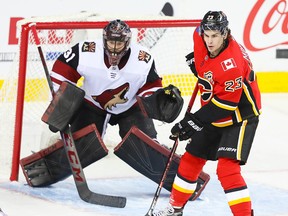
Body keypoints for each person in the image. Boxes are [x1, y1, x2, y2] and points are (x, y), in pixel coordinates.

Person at [20, 19, 210, 200]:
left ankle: (184, 182)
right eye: (110, 43)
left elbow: (151, 85)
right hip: (92, 105)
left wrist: (156, 98)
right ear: (104, 40)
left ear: (127, 43)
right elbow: (62, 69)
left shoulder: (142, 59)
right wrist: (61, 99)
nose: (114, 48)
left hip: (130, 107)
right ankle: (52, 157)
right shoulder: (87, 51)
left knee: (146, 145)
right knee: (81, 146)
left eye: (119, 44)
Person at [153, 11, 262, 216]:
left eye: (215, 36)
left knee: (226, 170)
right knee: (191, 159)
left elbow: (226, 105)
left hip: (240, 116)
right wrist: (201, 68)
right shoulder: (200, 36)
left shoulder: (232, 63)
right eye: (207, 35)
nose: (210, 41)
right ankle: (175, 209)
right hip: (215, 108)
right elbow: (212, 80)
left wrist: (192, 122)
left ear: (225, 34)